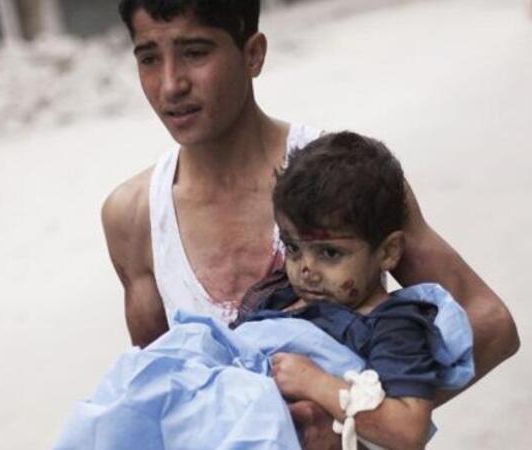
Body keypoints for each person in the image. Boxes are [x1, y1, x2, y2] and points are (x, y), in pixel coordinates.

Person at [100, 0, 519, 447]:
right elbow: (157, 394)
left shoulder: (341, 178)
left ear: (253, 54)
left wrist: (352, 421)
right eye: (149, 58)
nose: (171, 84)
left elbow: (490, 324)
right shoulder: (136, 217)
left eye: (196, 53)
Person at [56, 131, 474, 450]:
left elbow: (408, 428)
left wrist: (314, 383)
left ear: (387, 252)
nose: (306, 269)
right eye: (292, 248)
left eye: (330, 253)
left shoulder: (393, 325)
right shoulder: (282, 296)